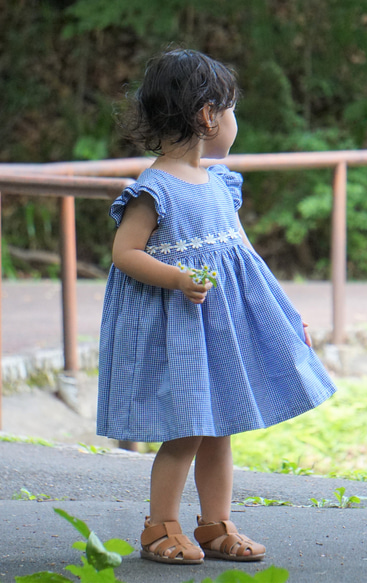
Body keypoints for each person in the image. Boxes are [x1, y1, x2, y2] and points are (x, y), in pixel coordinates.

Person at [96, 48, 336, 565]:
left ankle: (215, 523)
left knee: (218, 426)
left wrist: (287, 315)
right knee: (186, 430)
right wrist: (178, 277)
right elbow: (125, 254)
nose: (233, 122)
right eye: (230, 110)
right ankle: (161, 526)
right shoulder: (153, 190)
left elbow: (245, 257)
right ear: (208, 116)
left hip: (219, 331)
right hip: (180, 332)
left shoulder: (219, 184)